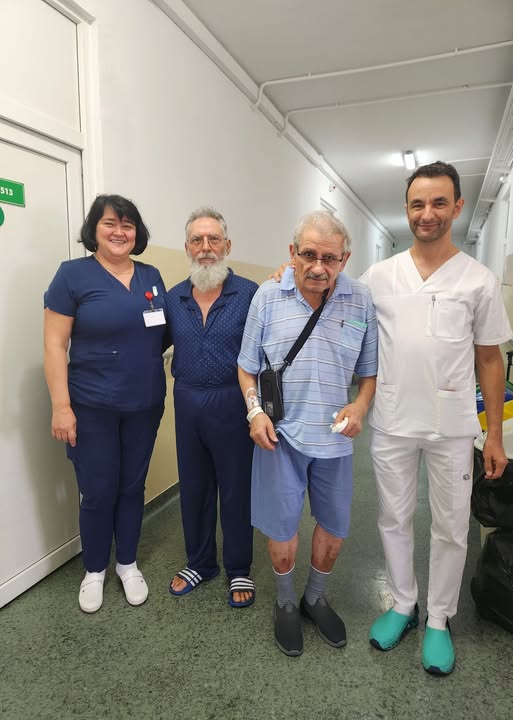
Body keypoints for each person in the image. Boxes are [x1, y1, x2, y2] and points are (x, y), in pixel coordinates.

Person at [362, 161, 511, 675]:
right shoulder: (379, 277)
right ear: (407, 209)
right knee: (393, 518)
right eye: (418, 204)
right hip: (392, 420)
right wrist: (286, 275)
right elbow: (333, 304)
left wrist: (494, 434)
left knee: (450, 526)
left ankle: (440, 619)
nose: (427, 213)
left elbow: (490, 359)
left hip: (451, 426)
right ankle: (403, 603)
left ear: (457, 207)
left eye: (439, 202)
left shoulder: (478, 280)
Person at [238, 211, 377, 656]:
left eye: (330, 258)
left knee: (333, 530)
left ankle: (314, 598)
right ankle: (285, 603)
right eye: (309, 254)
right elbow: (246, 368)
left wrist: (359, 406)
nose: (318, 267)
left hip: (335, 439)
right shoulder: (267, 296)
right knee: (282, 533)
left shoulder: (360, 300)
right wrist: (254, 412)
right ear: (292, 253)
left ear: (344, 259)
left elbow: (369, 374)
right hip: (279, 438)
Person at [44, 194, 168, 613]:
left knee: (132, 487)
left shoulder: (151, 275)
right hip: (91, 406)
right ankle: (94, 570)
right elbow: (54, 345)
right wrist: (61, 406)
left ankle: (127, 564)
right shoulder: (73, 275)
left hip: (144, 404)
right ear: (94, 230)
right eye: (109, 223)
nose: (119, 232)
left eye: (127, 225)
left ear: (137, 233)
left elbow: (165, 331)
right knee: (97, 491)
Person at [165, 207, 258, 607]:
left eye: (213, 239)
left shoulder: (250, 294)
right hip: (187, 400)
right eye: (197, 240)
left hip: (232, 400)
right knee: (194, 486)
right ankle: (200, 562)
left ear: (227, 245)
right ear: (187, 247)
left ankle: (238, 567)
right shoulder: (173, 298)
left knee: (236, 488)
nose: (206, 247)